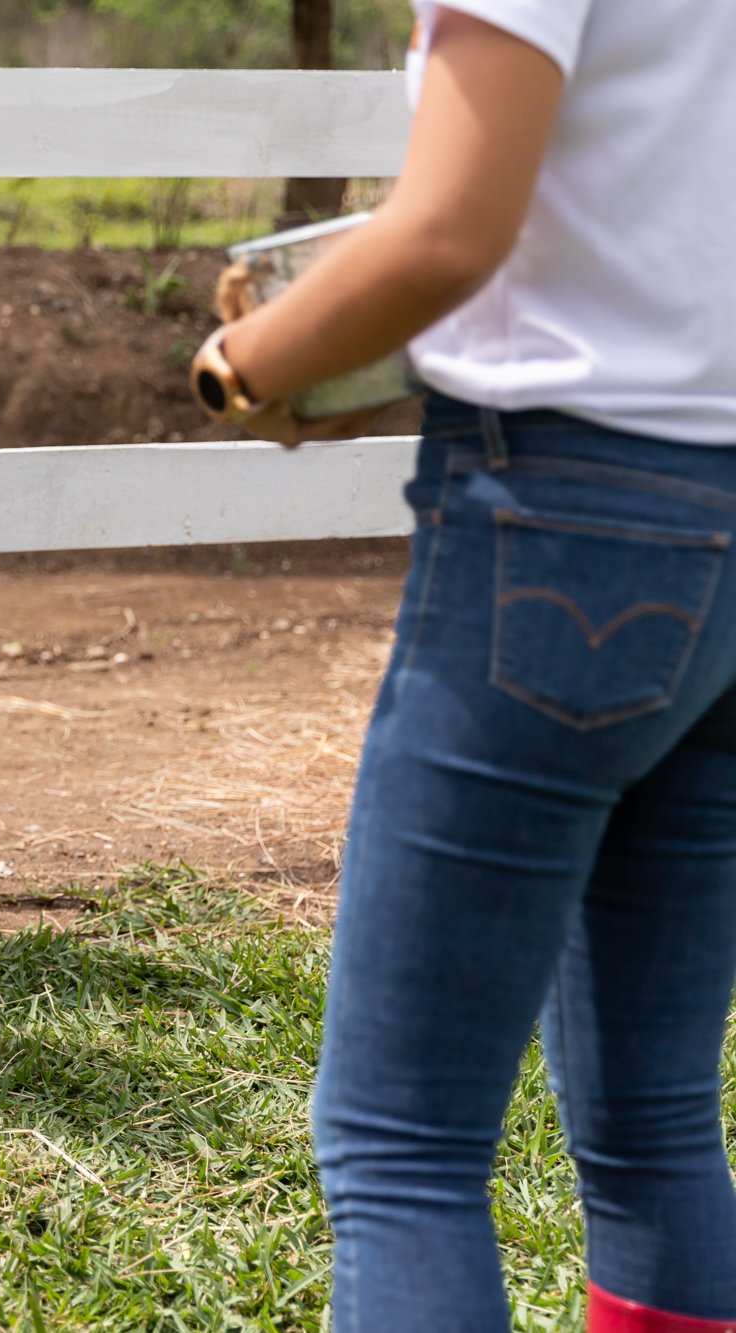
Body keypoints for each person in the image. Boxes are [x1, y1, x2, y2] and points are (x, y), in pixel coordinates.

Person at [192, 4, 736, 1328]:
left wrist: (242, 366)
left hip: (564, 518)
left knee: (402, 1149)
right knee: (656, 1119)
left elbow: (445, 231)